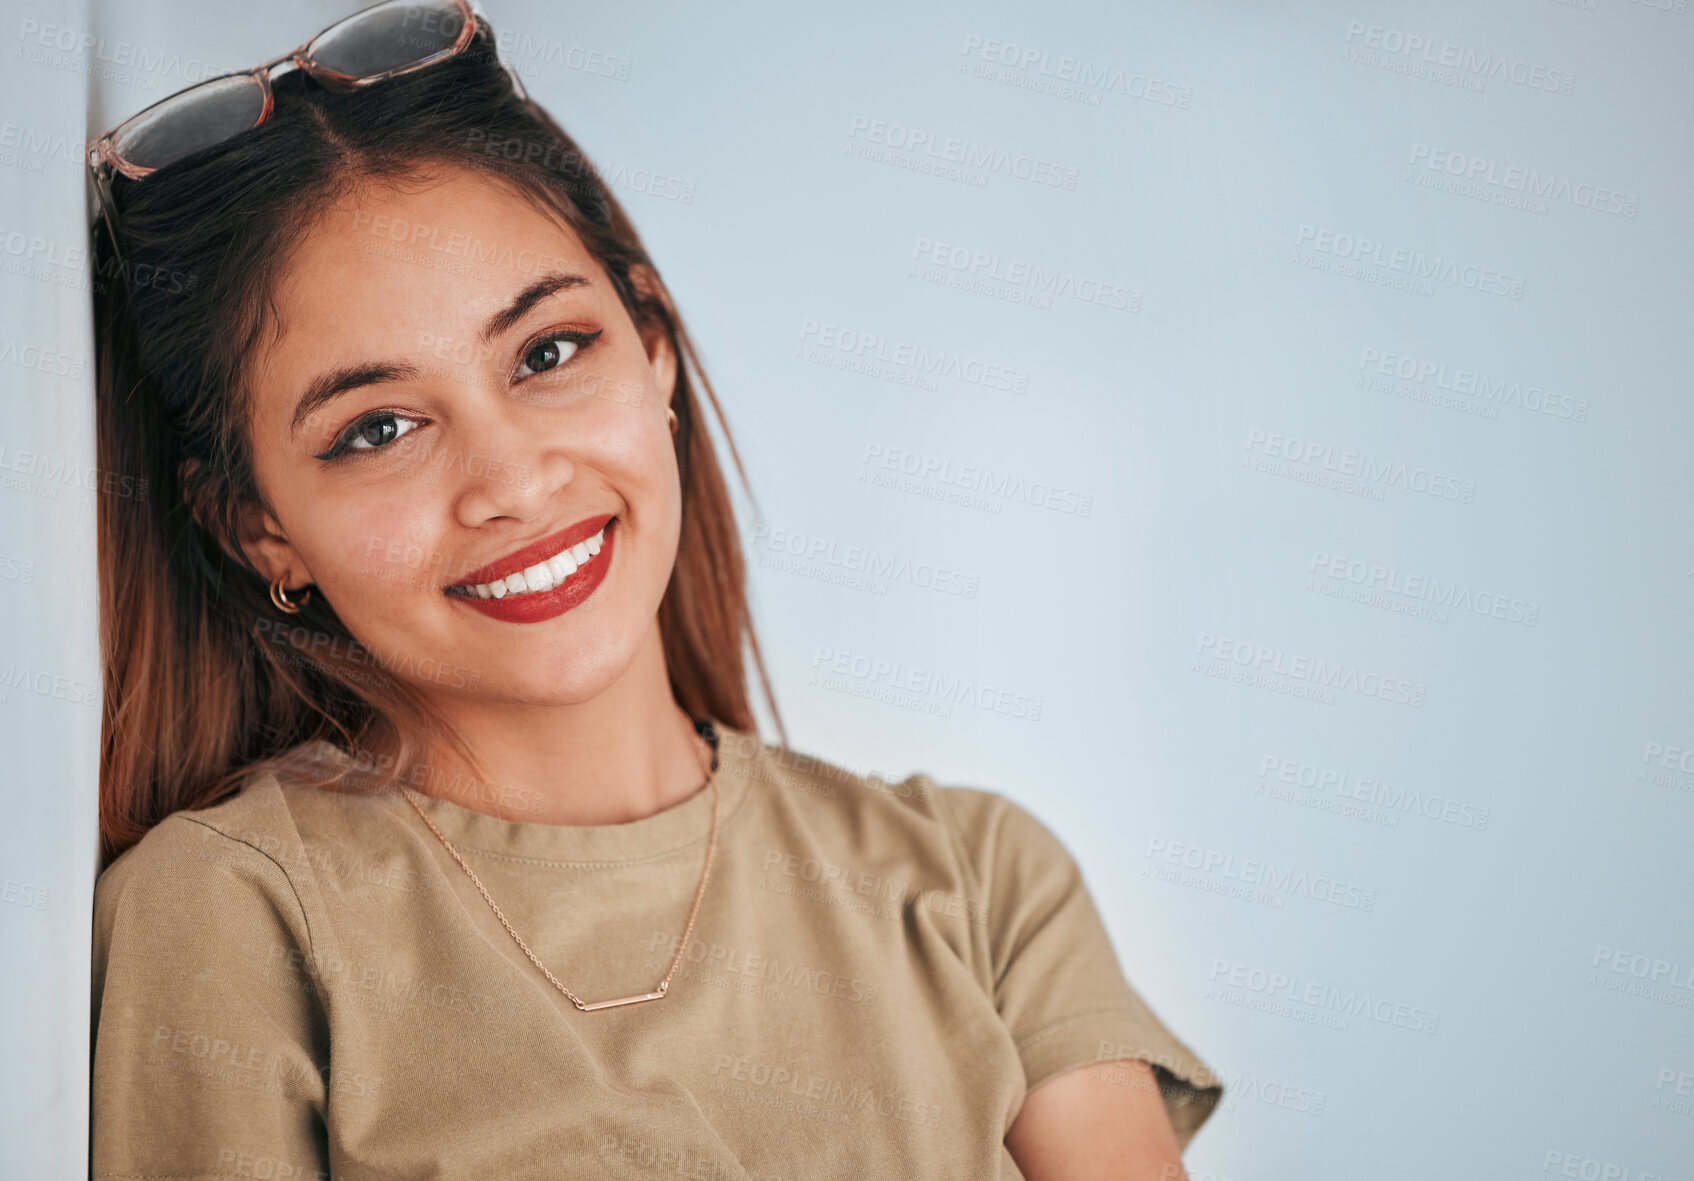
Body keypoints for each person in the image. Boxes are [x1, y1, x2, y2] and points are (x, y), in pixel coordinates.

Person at [85, 2, 1224, 1176]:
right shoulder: (231, 914)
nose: (513, 481)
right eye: (377, 427)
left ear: (653, 352)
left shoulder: (983, 881)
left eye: (546, 352)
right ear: (259, 528)